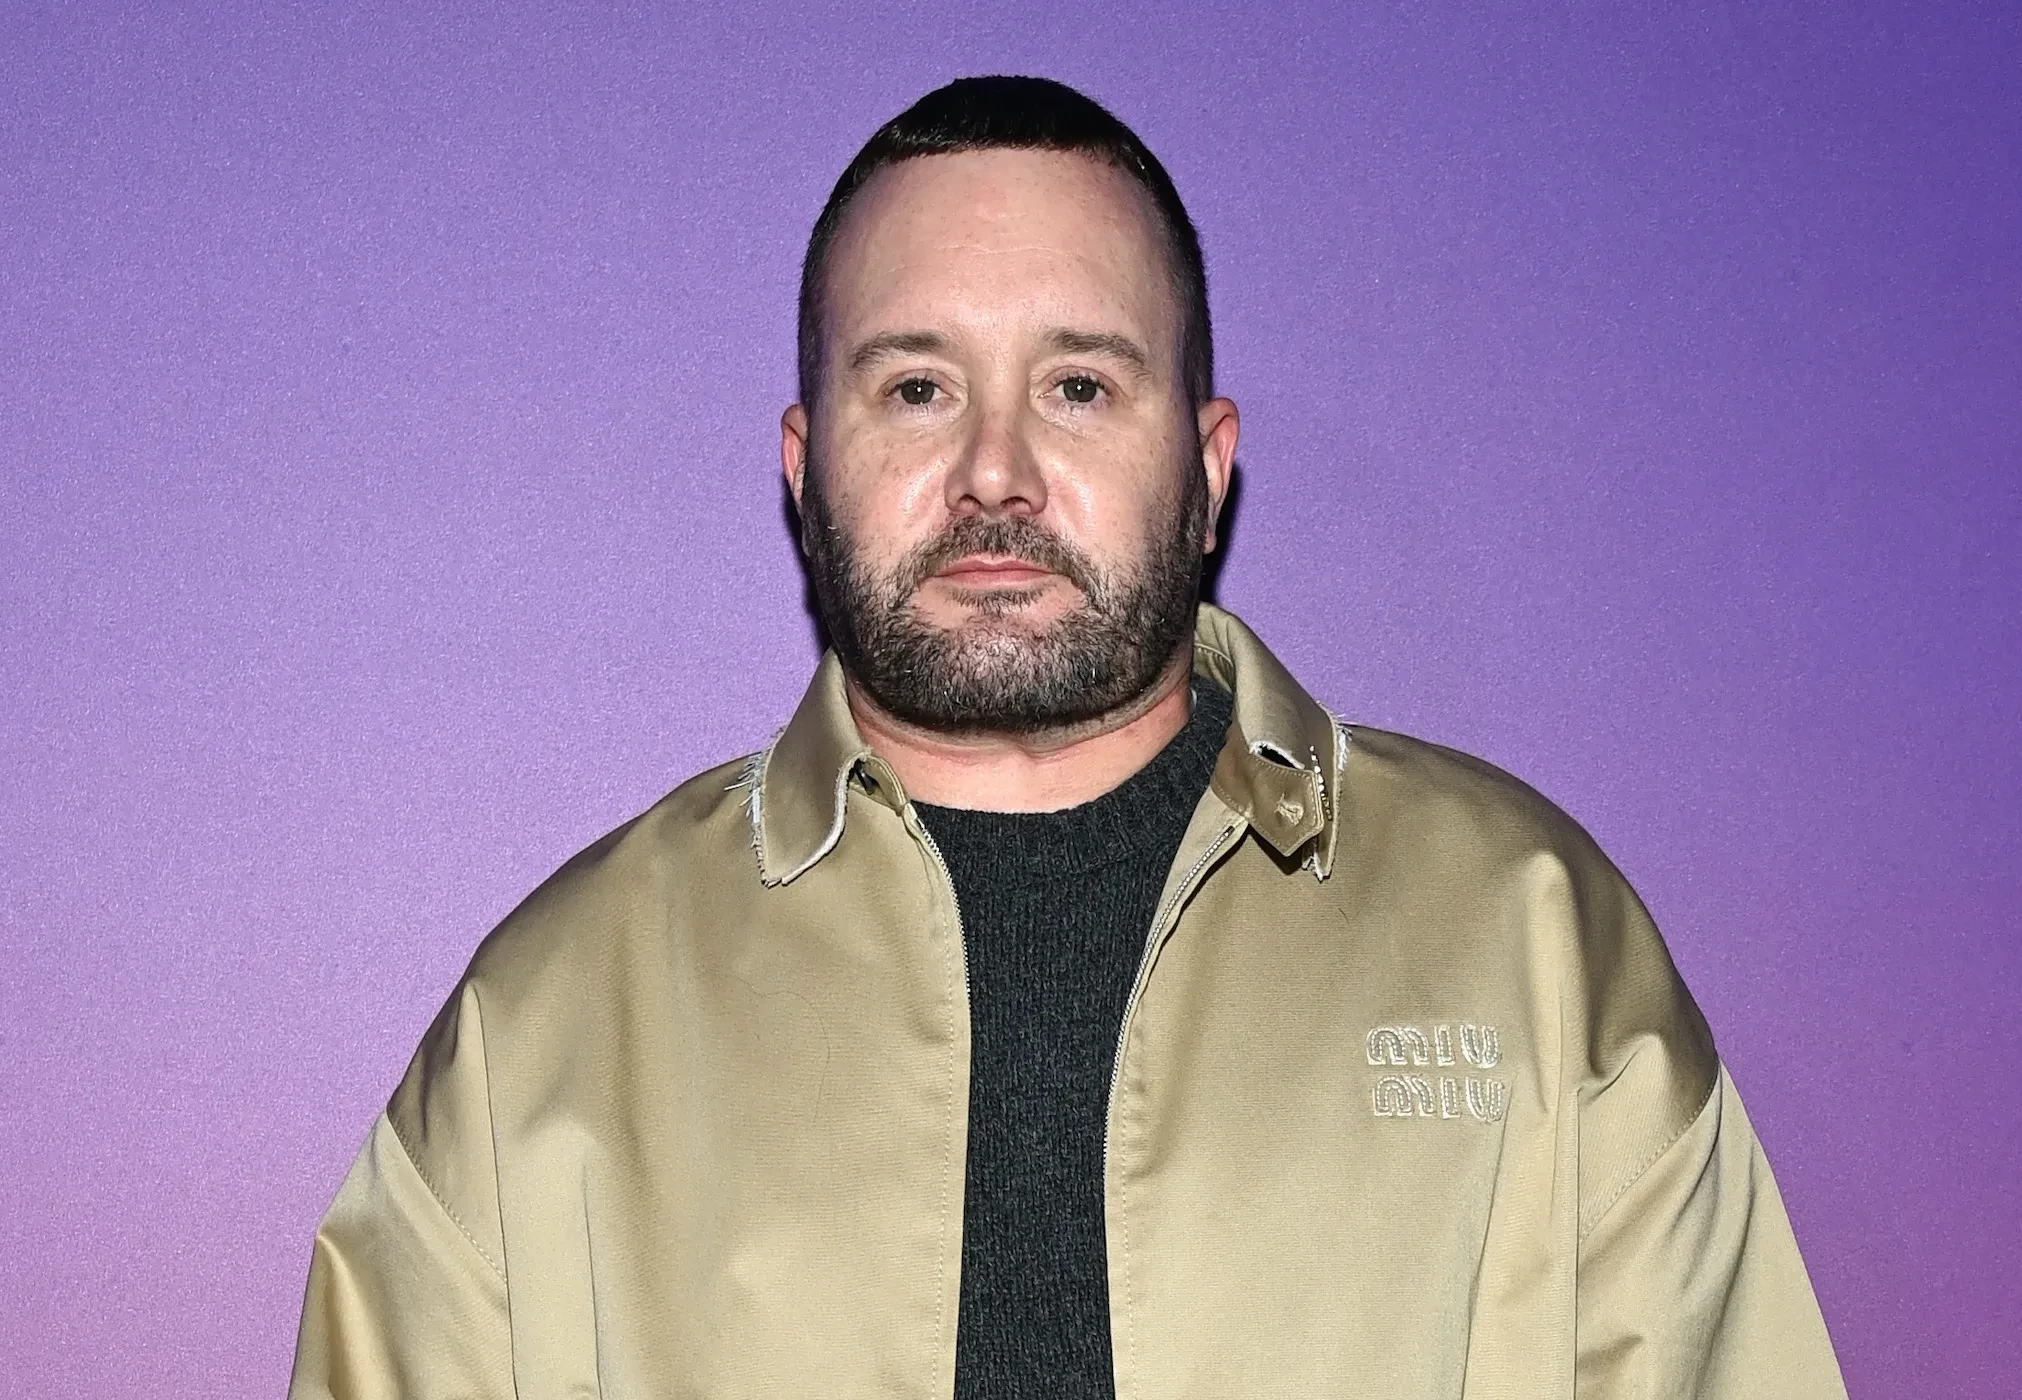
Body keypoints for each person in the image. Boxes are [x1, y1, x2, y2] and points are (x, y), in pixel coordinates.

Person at [289, 76, 1847, 1399]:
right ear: (803, 466)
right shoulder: (550, 1025)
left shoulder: (1531, 940)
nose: (995, 470)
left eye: (1079, 385)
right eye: (916, 386)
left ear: (1207, 466)